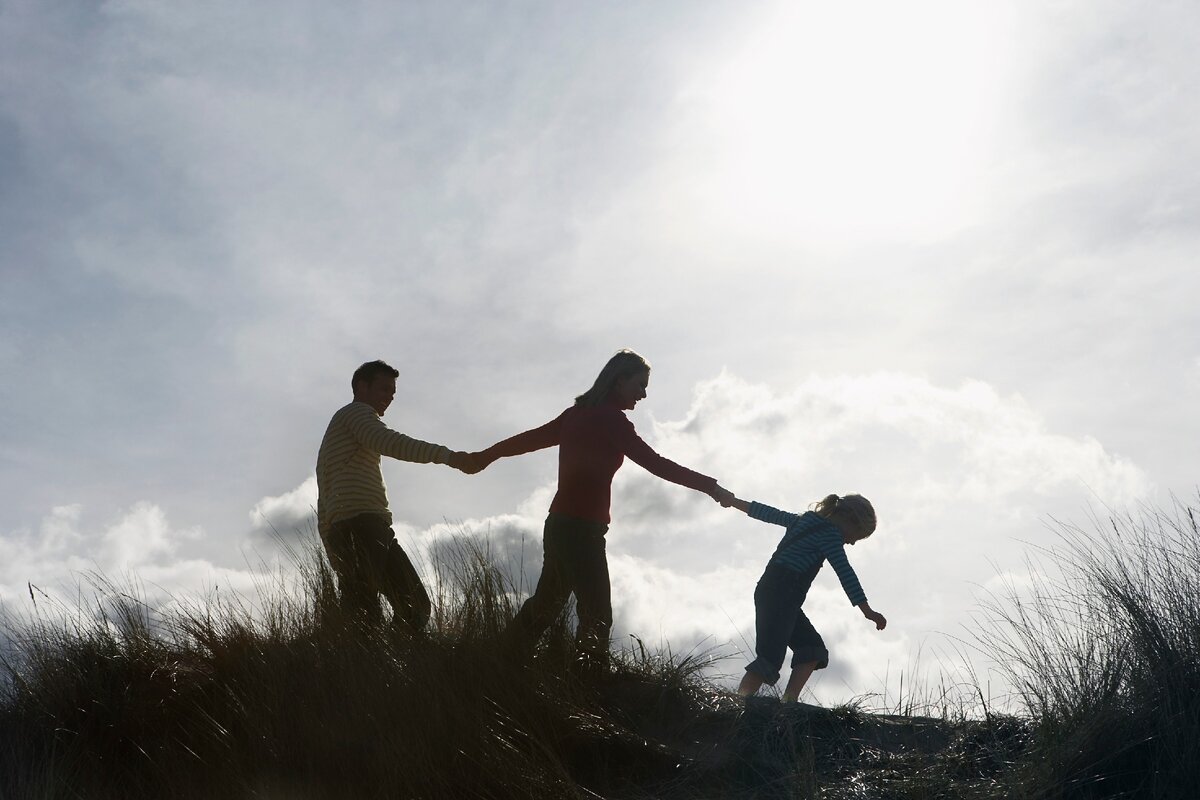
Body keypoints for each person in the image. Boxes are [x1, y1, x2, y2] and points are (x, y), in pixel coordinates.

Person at [469, 349, 734, 670]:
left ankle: (498, 660)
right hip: (582, 530)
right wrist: (710, 486)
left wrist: (487, 455)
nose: (644, 394)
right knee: (596, 615)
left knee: (547, 606)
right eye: (640, 384)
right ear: (619, 380)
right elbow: (656, 464)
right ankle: (590, 681)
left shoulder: (575, 414)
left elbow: (528, 439)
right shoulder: (612, 420)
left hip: (559, 525)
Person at [315, 359, 476, 633]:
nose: (389, 397)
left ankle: (388, 663)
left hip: (365, 528)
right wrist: (449, 457)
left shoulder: (342, 427)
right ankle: (357, 667)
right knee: (367, 612)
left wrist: (329, 539)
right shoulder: (356, 414)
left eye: (392, 393)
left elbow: (324, 493)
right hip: (361, 526)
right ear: (361, 387)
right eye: (384, 389)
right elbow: (392, 443)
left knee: (411, 607)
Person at [722, 492, 886, 702]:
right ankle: (737, 704)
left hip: (774, 592)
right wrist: (868, 611)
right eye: (857, 535)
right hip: (783, 593)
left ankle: (789, 703)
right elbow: (846, 573)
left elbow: (768, 513)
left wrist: (733, 501)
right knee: (769, 659)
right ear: (850, 521)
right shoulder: (831, 535)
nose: (852, 543)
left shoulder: (803, 520)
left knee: (812, 648)